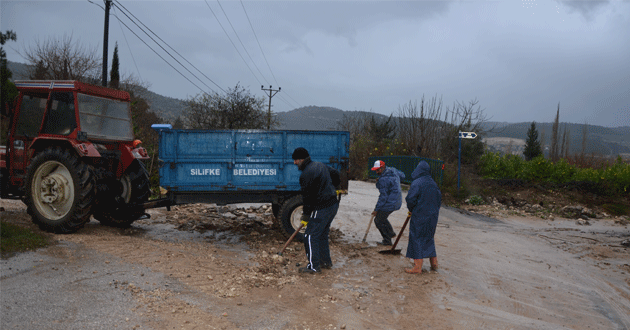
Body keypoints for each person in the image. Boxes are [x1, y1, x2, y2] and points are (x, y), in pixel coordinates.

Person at [292, 147, 340, 274]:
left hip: (322, 207)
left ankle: (313, 267)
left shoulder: (305, 175)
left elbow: (307, 199)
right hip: (333, 204)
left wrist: (306, 216)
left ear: (302, 159)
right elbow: (336, 174)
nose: (294, 163)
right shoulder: (320, 165)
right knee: (322, 234)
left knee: (309, 235)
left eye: (296, 160)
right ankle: (325, 262)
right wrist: (332, 187)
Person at [404, 161, 441, 274]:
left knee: (416, 237)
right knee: (429, 237)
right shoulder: (434, 184)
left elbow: (410, 199)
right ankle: (434, 264)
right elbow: (439, 200)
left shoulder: (417, 183)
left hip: (420, 215)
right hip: (433, 216)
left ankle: (417, 267)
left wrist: (411, 209)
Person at [370, 160, 405, 246]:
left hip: (390, 202)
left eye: (378, 170)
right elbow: (403, 176)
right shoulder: (393, 170)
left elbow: (383, 197)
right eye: (376, 170)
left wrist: (376, 209)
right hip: (398, 201)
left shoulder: (383, 180)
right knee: (382, 217)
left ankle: (387, 240)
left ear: (382, 168)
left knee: (378, 220)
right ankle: (391, 233)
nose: (376, 172)